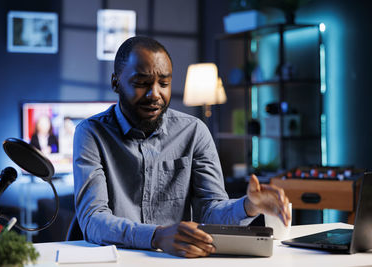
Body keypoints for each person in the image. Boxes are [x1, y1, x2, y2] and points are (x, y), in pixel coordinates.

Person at [73, 36, 290, 258]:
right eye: (141, 83)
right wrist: (157, 236)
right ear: (115, 82)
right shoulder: (91, 133)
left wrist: (249, 206)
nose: (155, 94)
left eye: (164, 83)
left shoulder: (194, 132)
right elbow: (93, 219)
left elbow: (211, 210)